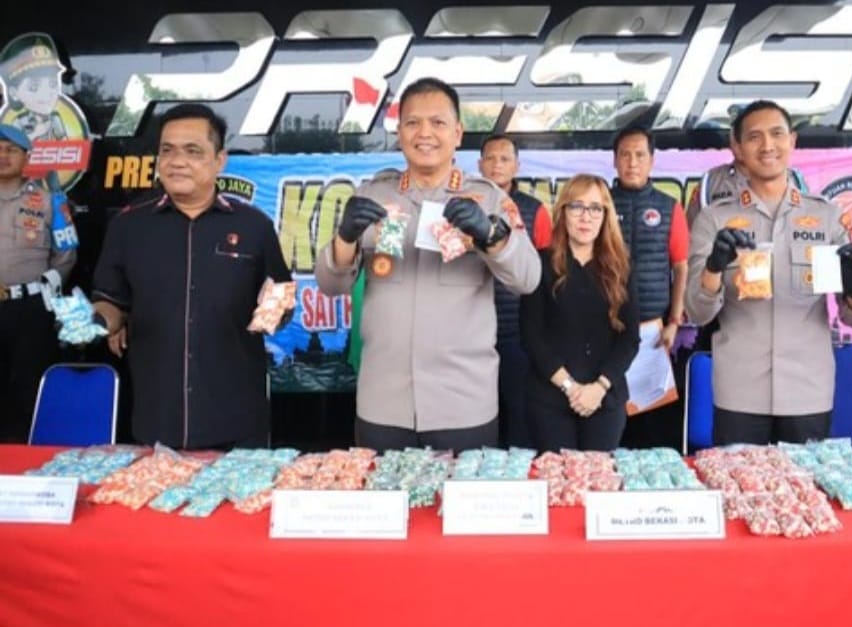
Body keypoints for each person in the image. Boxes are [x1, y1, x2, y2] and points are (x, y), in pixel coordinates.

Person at [315, 77, 540, 452]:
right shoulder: (372, 195)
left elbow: (528, 279)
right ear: (399, 132)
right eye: (413, 122)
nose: (425, 133)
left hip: (463, 405)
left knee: (459, 493)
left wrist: (491, 234)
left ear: (458, 133)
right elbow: (331, 285)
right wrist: (345, 237)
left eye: (437, 122)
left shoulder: (488, 199)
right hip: (383, 403)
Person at [91, 104, 291, 449]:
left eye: (192, 151)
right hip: (157, 419)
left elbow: (281, 298)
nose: (177, 161)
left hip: (237, 420)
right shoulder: (128, 226)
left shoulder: (254, 226)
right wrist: (97, 322)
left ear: (219, 160)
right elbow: (110, 300)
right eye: (167, 150)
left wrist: (273, 311)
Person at [687, 100, 852, 445]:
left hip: (808, 390)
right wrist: (714, 267)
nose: (767, 145)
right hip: (739, 391)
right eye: (754, 137)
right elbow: (698, 313)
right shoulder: (714, 218)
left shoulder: (826, 217)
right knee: (740, 480)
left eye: (776, 134)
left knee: (805, 480)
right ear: (737, 147)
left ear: (792, 141)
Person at [520, 174, 639, 452]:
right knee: (558, 477)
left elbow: (630, 338)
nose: (586, 217)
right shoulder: (540, 262)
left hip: (605, 399)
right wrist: (571, 388)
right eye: (577, 207)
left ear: (606, 215)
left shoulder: (622, 266)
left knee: (599, 477)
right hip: (550, 401)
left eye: (595, 208)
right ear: (563, 212)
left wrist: (599, 387)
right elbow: (531, 336)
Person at [608, 126, 690, 448]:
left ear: (652, 161)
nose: (632, 163)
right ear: (615, 160)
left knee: (652, 422)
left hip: (654, 332)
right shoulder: (600, 204)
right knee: (612, 417)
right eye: (625, 155)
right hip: (609, 329)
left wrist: (674, 322)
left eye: (640, 155)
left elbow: (681, 267)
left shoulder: (669, 207)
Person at [0, 124, 74, 442]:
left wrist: (44, 294)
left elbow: (66, 254)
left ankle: (18, 456)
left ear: (27, 158)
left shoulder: (48, 201)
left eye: (11, 150)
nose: (3, 155)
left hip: (28, 310)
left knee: (27, 388)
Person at [478, 133, 552, 448]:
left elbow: (547, 273)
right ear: (479, 164)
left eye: (505, 159)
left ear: (517, 166)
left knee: (520, 415)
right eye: (490, 158)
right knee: (478, 418)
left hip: (518, 332)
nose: (497, 165)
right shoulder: (464, 205)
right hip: (472, 333)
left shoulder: (535, 210)